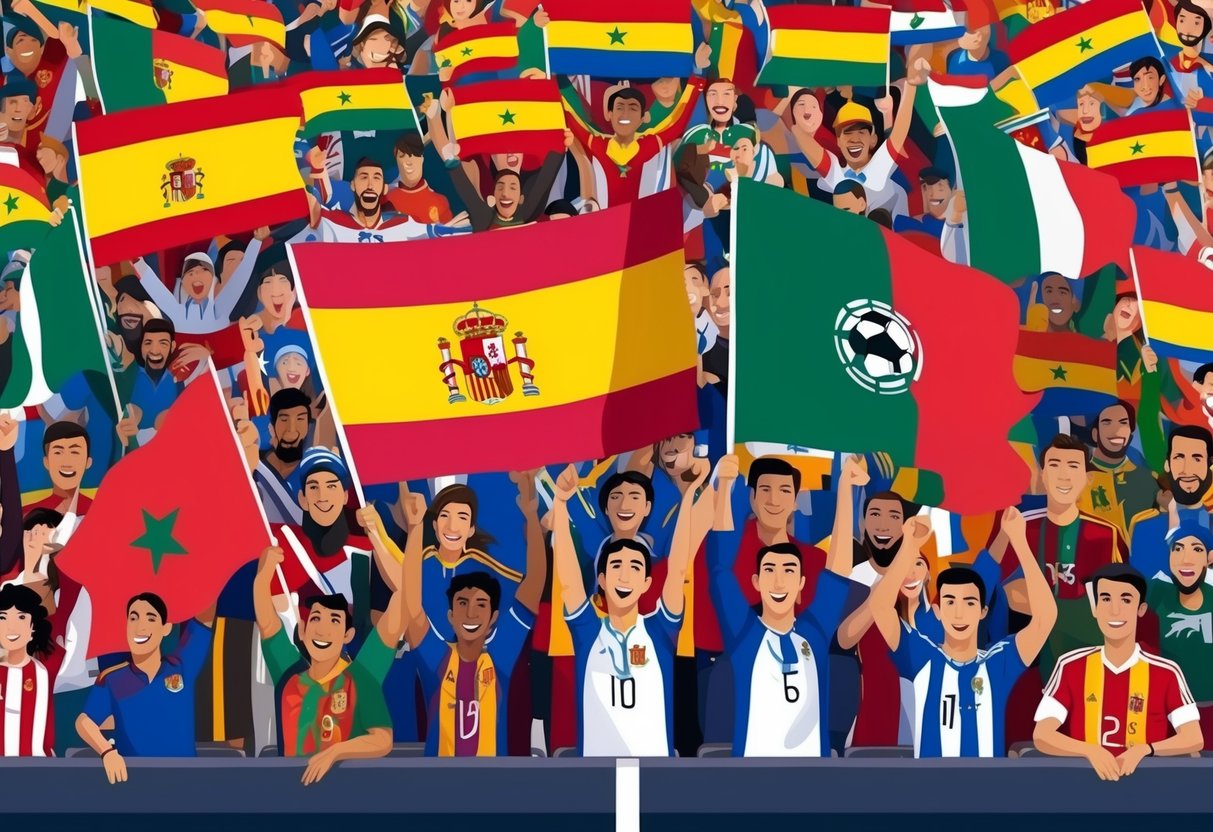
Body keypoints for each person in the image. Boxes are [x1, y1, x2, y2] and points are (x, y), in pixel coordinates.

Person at [551, 457, 709, 756]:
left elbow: (677, 567)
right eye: (616, 567)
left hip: (654, 779)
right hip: (595, 777)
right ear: (601, 579)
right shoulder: (587, 632)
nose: (625, 575)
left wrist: (689, 496)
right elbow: (569, 580)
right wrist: (560, 505)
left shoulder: (660, 630)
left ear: (648, 582)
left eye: (635, 567)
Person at [709, 454, 862, 756]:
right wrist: (724, 487)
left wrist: (845, 489)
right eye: (770, 571)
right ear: (755, 582)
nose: (779, 582)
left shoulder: (814, 633)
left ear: (803, 583)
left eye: (789, 571)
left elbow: (840, 569)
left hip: (812, 779)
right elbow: (720, 568)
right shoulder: (743, 636)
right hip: (752, 777)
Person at [873, 507, 1057, 757]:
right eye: (950, 602)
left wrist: (1020, 542)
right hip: (929, 792)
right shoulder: (923, 657)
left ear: (982, 611)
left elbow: (1046, 618)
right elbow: (880, 607)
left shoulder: (999, 662)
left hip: (986, 792)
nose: (959, 613)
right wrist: (909, 545)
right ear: (938, 611)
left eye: (969, 603)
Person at [398, 470, 545, 755]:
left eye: (481, 605)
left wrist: (530, 514)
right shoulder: (436, 659)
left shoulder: (500, 657)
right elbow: (411, 604)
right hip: (438, 789)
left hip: (492, 789)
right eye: (463, 604)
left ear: (493, 618)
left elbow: (534, 583)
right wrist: (415, 527)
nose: (471, 613)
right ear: (450, 615)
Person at [252, 508, 405, 782]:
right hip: (290, 802)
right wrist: (262, 577)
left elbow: (382, 739)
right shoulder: (288, 673)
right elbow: (267, 623)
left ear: (348, 635)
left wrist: (378, 537)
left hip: (348, 803)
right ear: (302, 630)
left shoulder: (362, 676)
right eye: (315, 619)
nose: (322, 629)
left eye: (334, 621)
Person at [1033, 564, 1203, 779]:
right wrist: (1089, 750)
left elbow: (1193, 737)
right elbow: (1042, 735)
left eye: (1126, 600)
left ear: (1140, 609)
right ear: (1094, 608)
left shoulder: (1167, 672)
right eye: (1105, 599)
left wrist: (1146, 749)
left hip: (1148, 791)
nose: (1115, 610)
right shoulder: (1070, 665)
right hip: (1083, 789)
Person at [75, 594, 215, 782]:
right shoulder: (112, 679)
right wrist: (107, 752)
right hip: (134, 784)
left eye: (151, 618)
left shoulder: (183, 666)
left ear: (166, 628)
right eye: (133, 618)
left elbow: (206, 614)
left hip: (185, 782)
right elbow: (84, 722)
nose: (140, 627)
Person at [1148, 521, 1213, 746]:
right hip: (1168, 713)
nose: (1186, 558)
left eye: (1197, 549)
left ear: (1210, 557)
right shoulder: (1157, 594)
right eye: (1177, 549)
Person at [1129, 426, 1213, 581]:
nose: (1187, 469)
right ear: (1167, 464)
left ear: (1208, 465)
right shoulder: (1145, 528)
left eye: (1197, 458)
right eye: (1179, 457)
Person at [1079, 400, 1157, 537]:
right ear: (1095, 434)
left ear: (1131, 434)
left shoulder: (1149, 480)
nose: (1116, 430)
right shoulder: (1077, 480)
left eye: (1123, 423)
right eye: (1107, 422)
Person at [0, 583, 55, 756]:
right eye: (3, 618)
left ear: (33, 627)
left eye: (21, 618)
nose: (11, 626)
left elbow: (45, 730)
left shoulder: (40, 673)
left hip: (31, 768)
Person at [384, 131, 453, 223]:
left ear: (422, 159)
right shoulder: (386, 198)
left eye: (415, 155)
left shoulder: (440, 201)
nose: (409, 161)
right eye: (402, 156)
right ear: (396, 160)